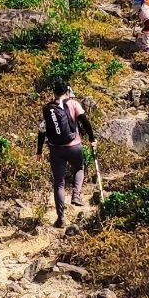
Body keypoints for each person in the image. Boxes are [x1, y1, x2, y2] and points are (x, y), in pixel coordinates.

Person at [37, 77, 94, 229]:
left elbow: (42, 131)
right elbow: (85, 122)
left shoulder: (47, 108)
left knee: (59, 184)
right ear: (67, 91)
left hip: (56, 149)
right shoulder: (74, 103)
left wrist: (39, 151)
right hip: (75, 146)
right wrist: (92, 139)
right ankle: (76, 195)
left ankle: (61, 219)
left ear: (53, 93)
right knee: (79, 168)